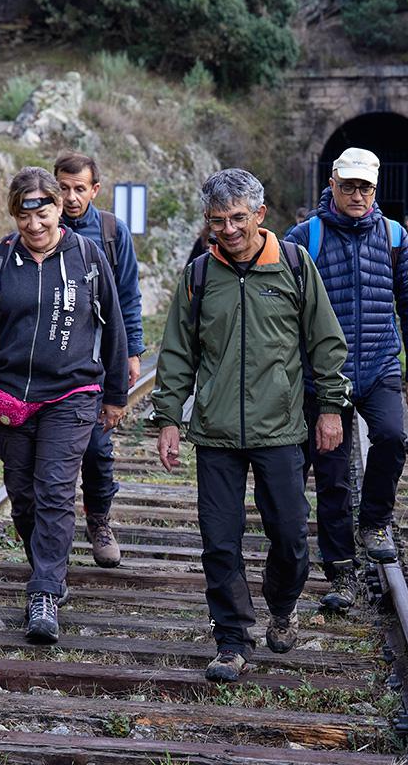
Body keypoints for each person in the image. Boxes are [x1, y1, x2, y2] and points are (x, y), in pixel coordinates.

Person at [153, 169, 351, 682]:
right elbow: (177, 353)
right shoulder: (199, 275)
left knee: (289, 535)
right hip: (215, 431)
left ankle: (281, 606)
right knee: (219, 541)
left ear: (260, 215)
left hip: (281, 429)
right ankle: (232, 639)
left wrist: (330, 406)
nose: (230, 229)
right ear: (208, 221)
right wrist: (169, 418)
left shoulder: (294, 265)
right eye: (219, 221)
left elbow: (325, 342)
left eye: (239, 218)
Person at [0, 166, 128, 644]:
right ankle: (46, 570)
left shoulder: (88, 256)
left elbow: (113, 327)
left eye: (43, 212)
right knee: (24, 495)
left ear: (59, 209)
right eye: (23, 214)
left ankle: (45, 592)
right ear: (14, 214)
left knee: (54, 490)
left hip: (72, 394)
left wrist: (114, 396)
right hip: (10, 397)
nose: (34, 224)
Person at [284, 147, 408, 611]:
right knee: (331, 476)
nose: (356, 194)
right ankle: (342, 572)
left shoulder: (392, 237)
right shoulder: (305, 236)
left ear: (375, 188)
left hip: (380, 365)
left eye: (364, 187)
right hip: (323, 377)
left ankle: (374, 522)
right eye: (347, 185)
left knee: (390, 437)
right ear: (332, 183)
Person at [54, 152, 144, 569]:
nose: (71, 198)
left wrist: (132, 351)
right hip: (54, 358)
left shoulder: (111, 231)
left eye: (79, 189)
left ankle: (99, 521)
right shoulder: (41, 228)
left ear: (95, 189)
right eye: (63, 188)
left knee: (96, 446)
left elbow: (128, 295)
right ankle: (47, 531)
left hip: (99, 356)